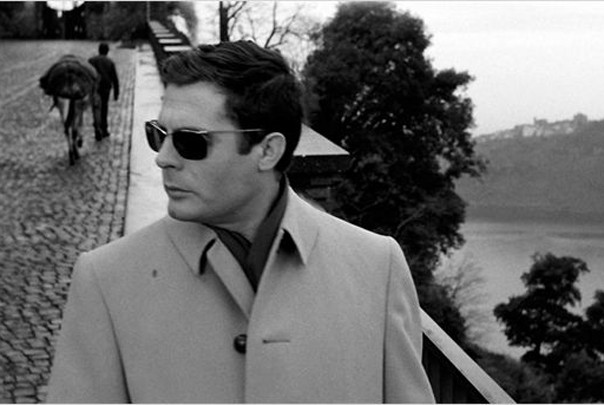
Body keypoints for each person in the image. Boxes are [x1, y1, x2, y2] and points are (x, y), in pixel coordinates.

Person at [46, 41, 435, 403]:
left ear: (268, 151)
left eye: (190, 142)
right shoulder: (105, 279)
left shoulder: (378, 268)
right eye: (158, 134)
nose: (163, 158)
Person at [88, 42, 119, 140]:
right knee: (104, 108)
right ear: (107, 51)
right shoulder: (110, 62)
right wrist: (116, 93)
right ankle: (104, 129)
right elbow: (115, 79)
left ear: (99, 50)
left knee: (96, 108)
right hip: (105, 88)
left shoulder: (91, 60)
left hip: (94, 88)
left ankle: (97, 128)